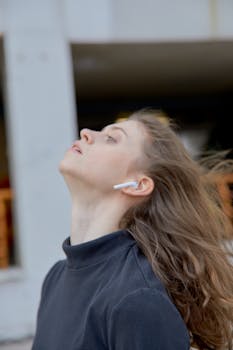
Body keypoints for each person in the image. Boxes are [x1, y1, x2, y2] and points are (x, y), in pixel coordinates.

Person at [32, 109, 233, 350]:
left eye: (111, 138)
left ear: (138, 185)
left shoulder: (139, 298)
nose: (86, 133)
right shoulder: (55, 277)